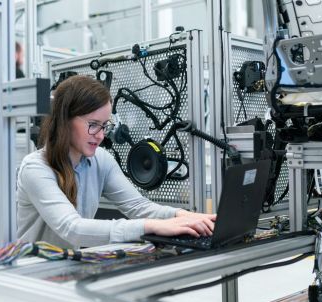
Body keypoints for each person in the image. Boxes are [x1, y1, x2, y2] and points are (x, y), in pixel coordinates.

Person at [16, 75, 216, 249]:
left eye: (104, 126)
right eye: (93, 125)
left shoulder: (100, 160)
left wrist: (184, 216)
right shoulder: (36, 168)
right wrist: (151, 226)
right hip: (33, 274)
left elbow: (139, 207)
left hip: (67, 267)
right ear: (64, 120)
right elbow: (73, 228)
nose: (101, 135)